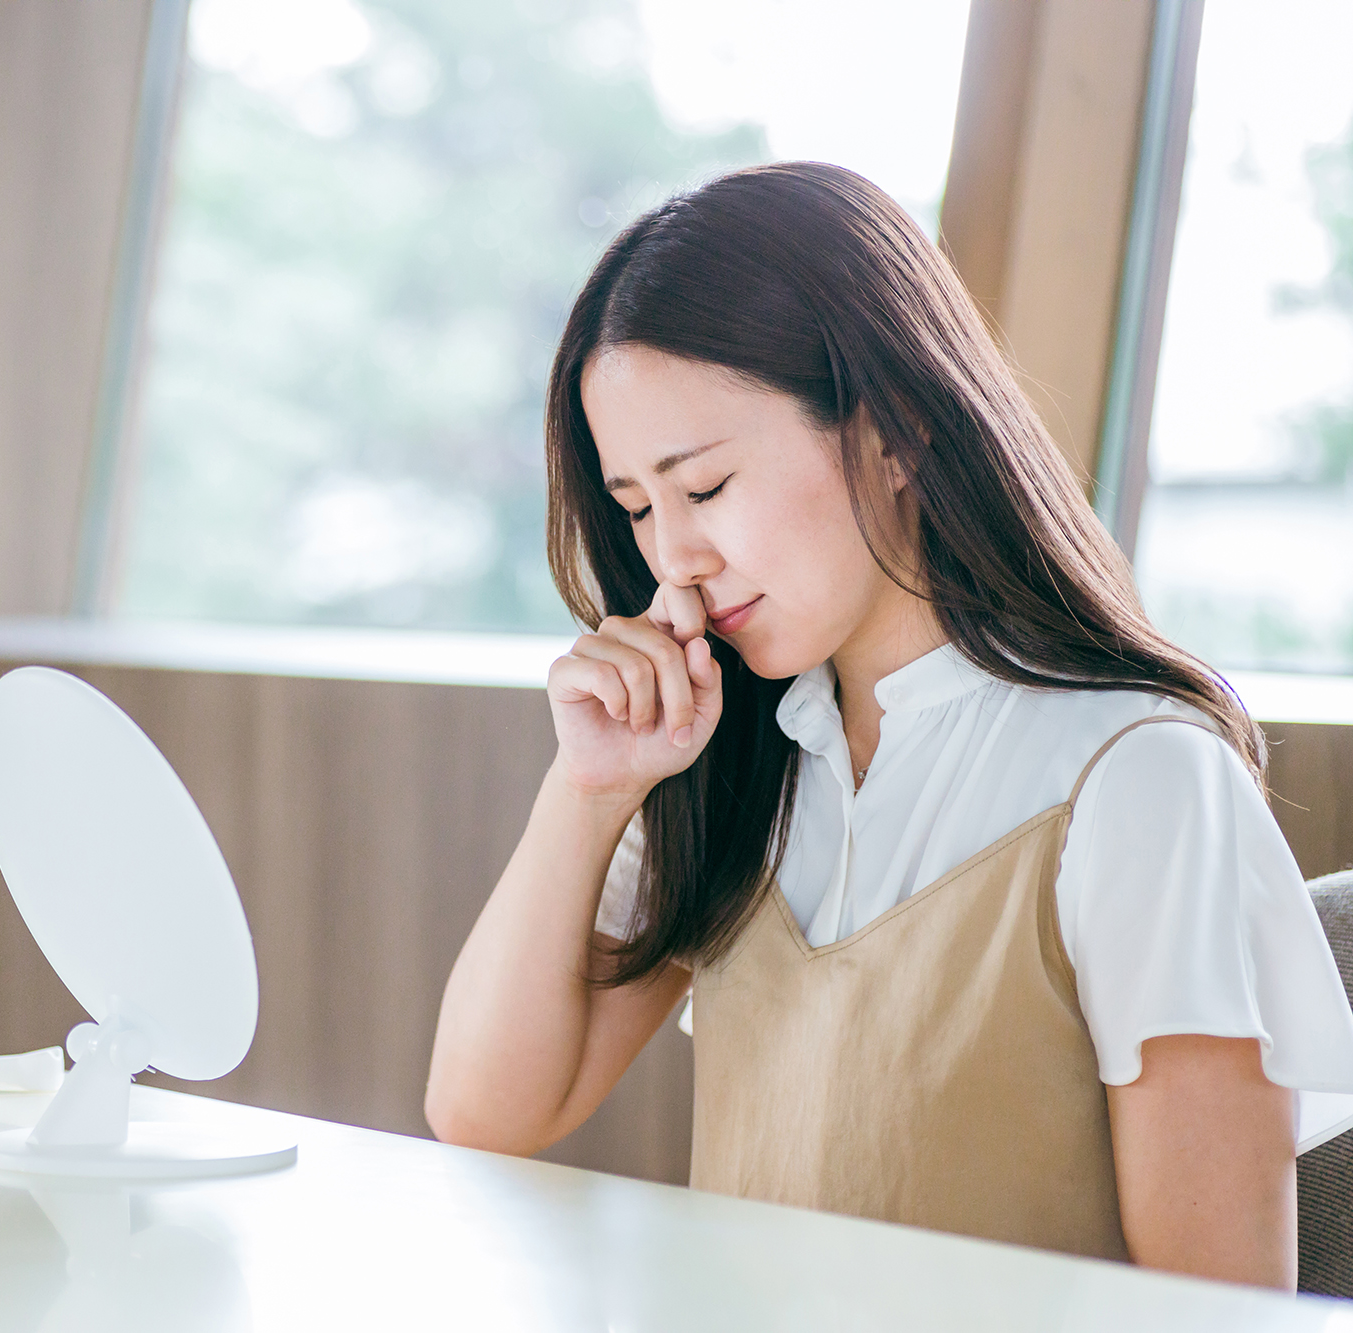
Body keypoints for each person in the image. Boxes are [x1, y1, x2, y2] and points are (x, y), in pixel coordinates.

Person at [424, 162, 1353, 1291]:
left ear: (895, 428)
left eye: (704, 487)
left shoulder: (1137, 778)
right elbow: (481, 1111)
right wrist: (586, 790)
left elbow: (1215, 1308)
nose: (670, 556)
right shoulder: (735, 762)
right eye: (634, 508)